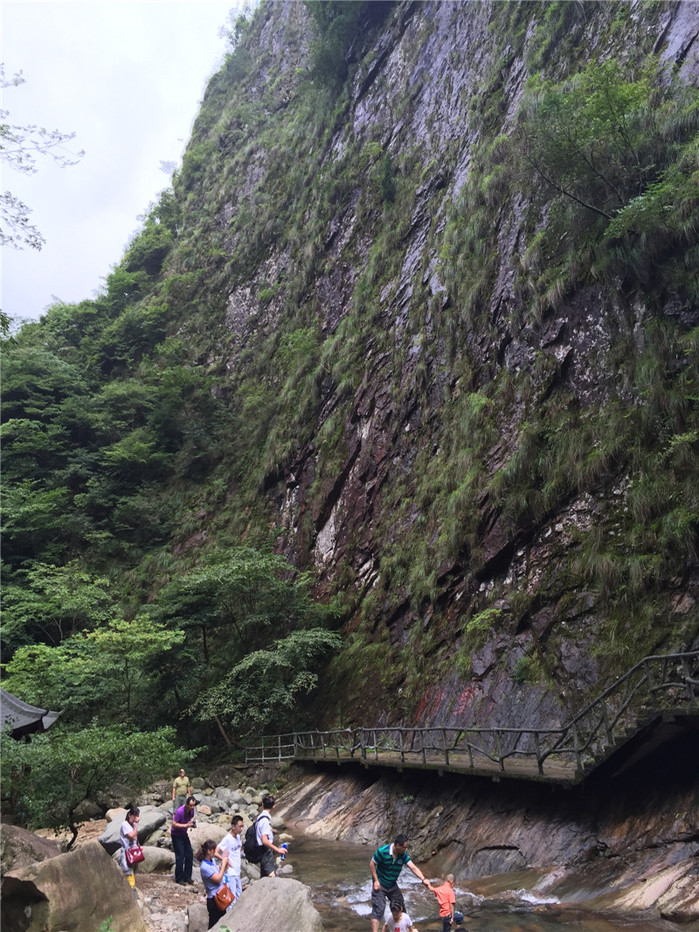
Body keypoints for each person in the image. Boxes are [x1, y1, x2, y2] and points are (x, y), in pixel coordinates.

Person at [369, 833, 432, 932]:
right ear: (397, 845)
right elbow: (372, 864)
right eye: (404, 847)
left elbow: (412, 867)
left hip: (392, 884)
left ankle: (408, 928)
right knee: (379, 908)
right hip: (380, 883)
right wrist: (376, 880)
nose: (405, 849)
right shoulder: (382, 851)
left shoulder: (402, 855)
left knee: (401, 905)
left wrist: (423, 879)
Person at [196, 839, 230, 929]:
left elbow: (219, 873)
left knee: (223, 922)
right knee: (214, 925)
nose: (215, 853)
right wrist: (223, 866)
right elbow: (218, 879)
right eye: (214, 851)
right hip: (214, 899)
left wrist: (224, 867)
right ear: (209, 851)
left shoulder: (212, 861)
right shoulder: (204, 867)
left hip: (220, 895)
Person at [256, 793, 287, 878]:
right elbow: (264, 840)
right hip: (265, 852)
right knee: (273, 878)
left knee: (264, 877)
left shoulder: (260, 818)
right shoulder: (265, 820)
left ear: (262, 805)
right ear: (273, 806)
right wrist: (278, 850)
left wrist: (271, 831)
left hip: (261, 851)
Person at [215, 813, 244, 899]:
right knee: (232, 898)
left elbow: (237, 850)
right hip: (230, 873)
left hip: (237, 871)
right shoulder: (227, 839)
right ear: (233, 827)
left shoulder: (238, 837)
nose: (241, 829)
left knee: (239, 896)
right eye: (239, 826)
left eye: (242, 826)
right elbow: (216, 852)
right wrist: (225, 860)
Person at [171, 794, 198, 885]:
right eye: (190, 805)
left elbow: (192, 817)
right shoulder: (180, 811)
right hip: (176, 835)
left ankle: (187, 877)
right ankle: (179, 878)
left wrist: (191, 821)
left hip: (184, 834)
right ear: (186, 804)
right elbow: (174, 824)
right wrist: (185, 825)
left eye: (193, 805)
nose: (191, 807)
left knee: (189, 854)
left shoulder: (191, 810)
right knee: (180, 856)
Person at [119, 805, 140, 889]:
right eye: (134, 815)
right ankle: (131, 891)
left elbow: (136, 837)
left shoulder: (133, 824)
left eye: (137, 816)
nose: (135, 818)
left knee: (133, 872)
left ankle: (132, 889)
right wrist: (136, 824)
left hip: (134, 852)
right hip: (127, 853)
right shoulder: (124, 824)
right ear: (129, 815)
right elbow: (132, 836)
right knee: (128, 873)